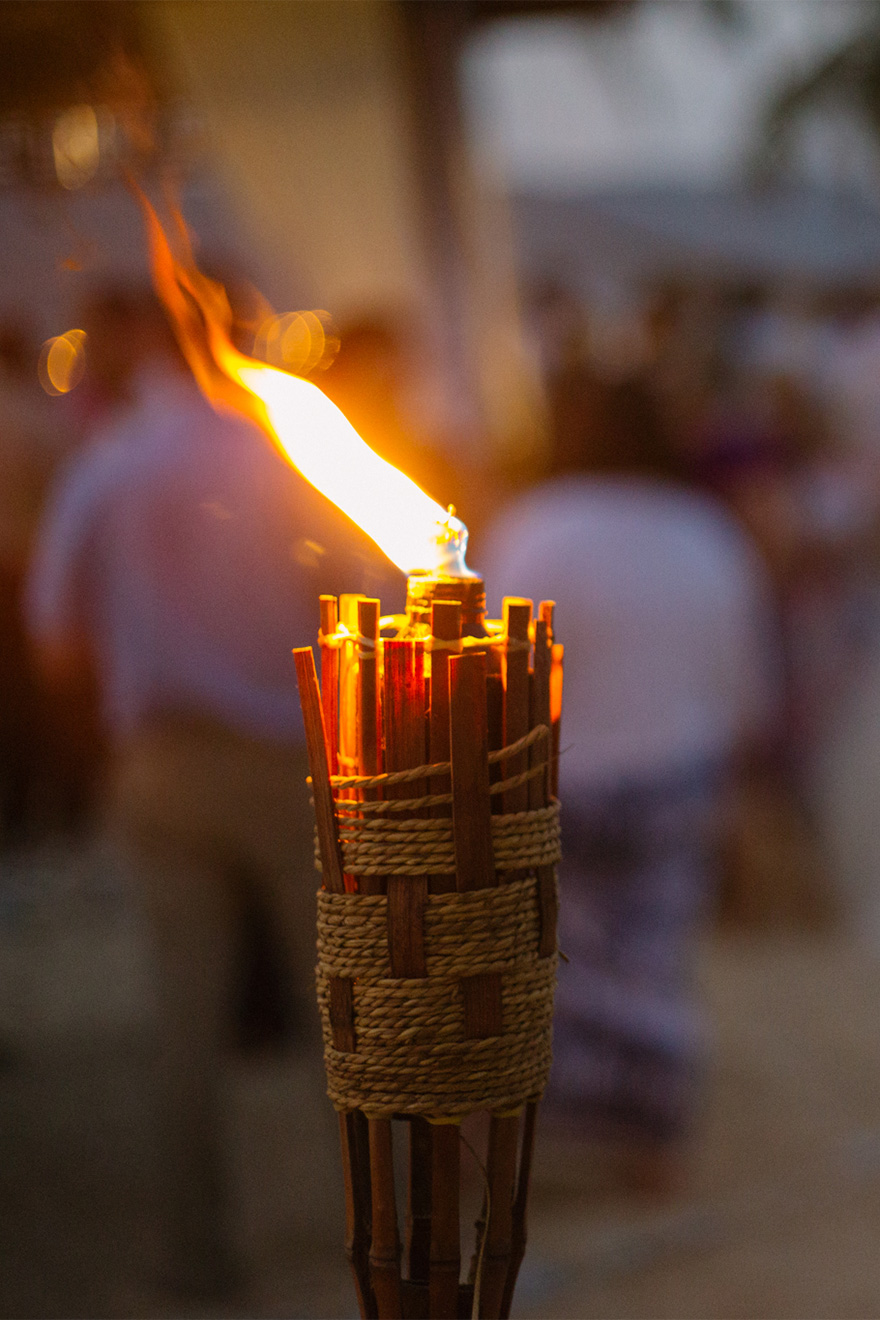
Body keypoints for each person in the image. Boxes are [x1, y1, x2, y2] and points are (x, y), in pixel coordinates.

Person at [26, 288, 404, 1297]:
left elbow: (53, 630)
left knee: (182, 1020)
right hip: (286, 758)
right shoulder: (288, 460)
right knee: (340, 1012)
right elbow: (371, 603)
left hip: (159, 764)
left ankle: (195, 1255)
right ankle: (381, 1242)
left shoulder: (110, 465)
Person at [479, 446, 780, 1188]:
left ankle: (498, 1138)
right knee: (652, 964)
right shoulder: (705, 532)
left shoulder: (537, 527)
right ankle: (653, 1148)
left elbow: (487, 667)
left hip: (554, 780)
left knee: (521, 960)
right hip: (672, 781)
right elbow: (745, 682)